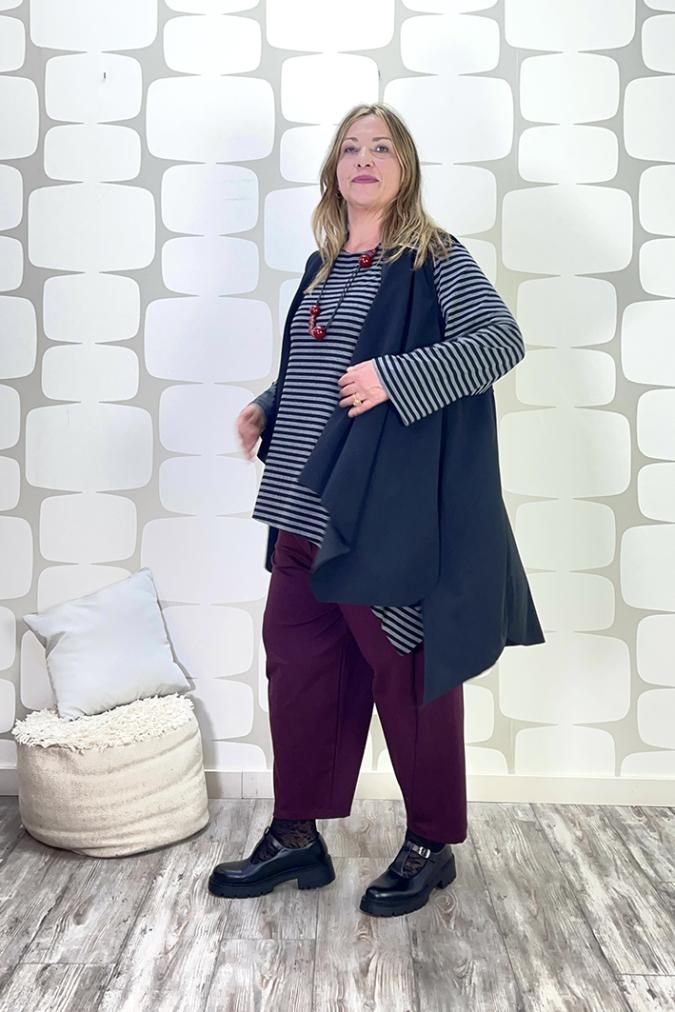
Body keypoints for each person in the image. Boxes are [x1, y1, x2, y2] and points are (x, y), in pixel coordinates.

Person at [208, 102, 542, 918]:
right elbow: (321, 370)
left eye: (381, 147)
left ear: (404, 168)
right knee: (297, 669)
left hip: (374, 517)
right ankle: (296, 835)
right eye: (351, 148)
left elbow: (499, 340)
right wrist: (267, 403)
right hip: (299, 508)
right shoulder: (321, 266)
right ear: (334, 171)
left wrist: (396, 375)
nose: (364, 158)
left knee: (408, 672)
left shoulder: (433, 258)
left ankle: (430, 841)